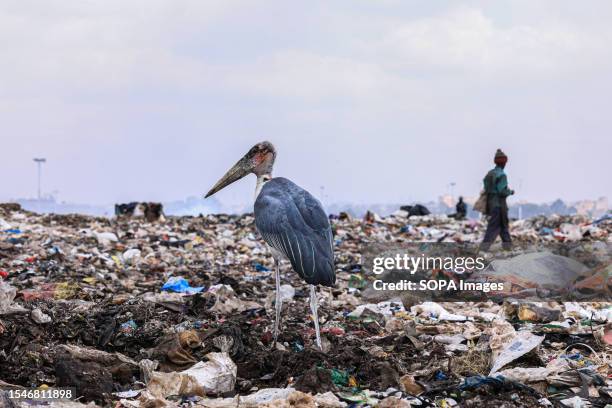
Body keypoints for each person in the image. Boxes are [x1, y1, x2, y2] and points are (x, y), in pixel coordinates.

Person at [480, 149, 514, 250]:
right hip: (499, 205)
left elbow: (486, 188)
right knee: (494, 227)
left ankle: (508, 247)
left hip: (490, 204)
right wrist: (510, 192)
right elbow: (502, 191)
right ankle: (483, 249)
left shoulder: (490, 174)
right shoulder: (502, 175)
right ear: (504, 163)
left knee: (503, 227)